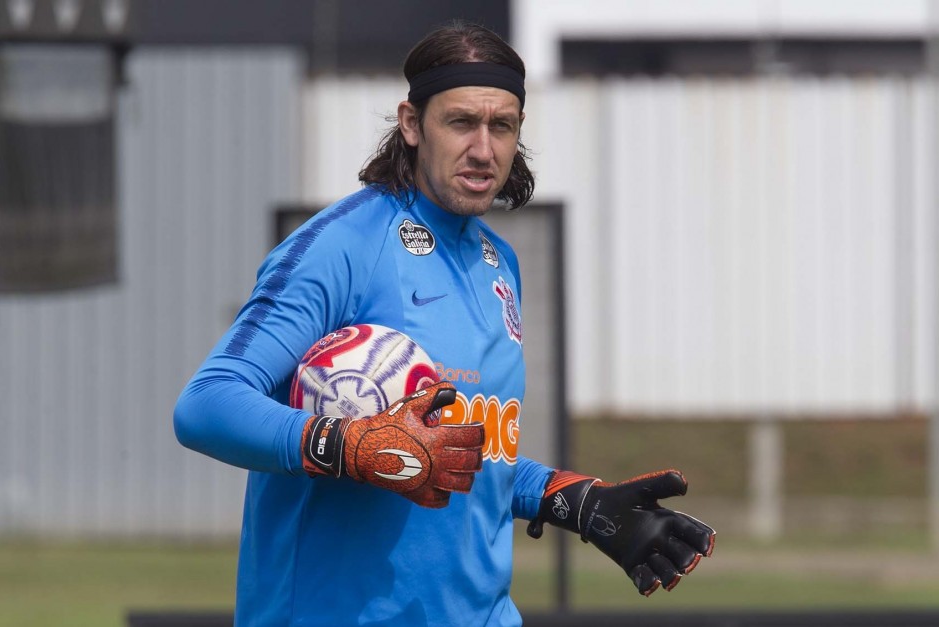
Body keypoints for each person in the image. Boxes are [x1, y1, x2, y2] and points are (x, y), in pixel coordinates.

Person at [174, 20, 715, 627]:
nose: (484, 149)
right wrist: (349, 444)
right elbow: (206, 405)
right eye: (461, 122)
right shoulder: (342, 247)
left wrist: (575, 501)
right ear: (411, 124)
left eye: (501, 126)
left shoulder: (499, 264)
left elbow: (459, 454)